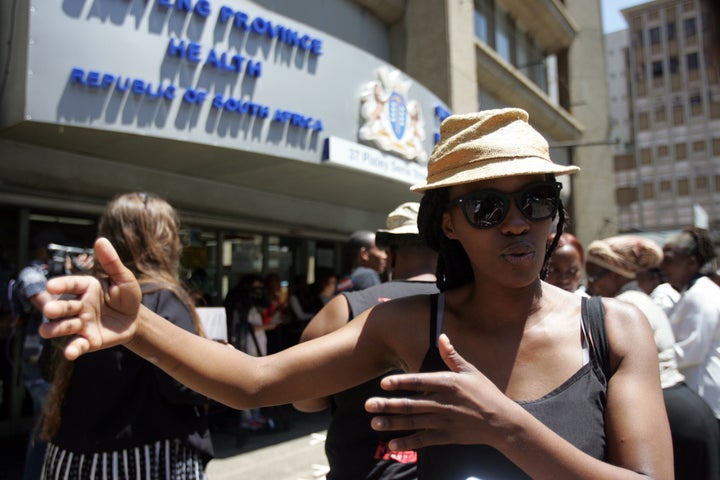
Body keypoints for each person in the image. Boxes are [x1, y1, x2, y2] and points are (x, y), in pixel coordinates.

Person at [39, 108, 673, 479]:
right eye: (486, 206)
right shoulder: (406, 325)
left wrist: (506, 429)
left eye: (537, 200)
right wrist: (139, 326)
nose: (516, 223)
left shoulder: (615, 329)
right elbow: (256, 383)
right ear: (447, 224)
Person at [38, 192, 214, 479]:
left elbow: (49, 367)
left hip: (69, 457)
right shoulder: (163, 297)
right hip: (148, 458)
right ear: (164, 239)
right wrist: (219, 361)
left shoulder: (84, 296)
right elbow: (182, 387)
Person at [294, 201, 438, 480]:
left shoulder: (346, 308)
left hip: (363, 470)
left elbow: (305, 400)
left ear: (391, 254)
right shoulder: (474, 308)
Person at [585, 234, 720, 479]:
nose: (591, 284)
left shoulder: (623, 306)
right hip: (685, 407)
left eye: (595, 276)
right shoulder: (636, 299)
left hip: (670, 410)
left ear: (616, 275)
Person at [10, 229, 92, 480]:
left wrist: (83, 276)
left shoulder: (70, 275)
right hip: (39, 365)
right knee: (47, 426)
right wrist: (74, 278)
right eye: (60, 252)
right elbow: (53, 310)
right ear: (43, 250)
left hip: (66, 361)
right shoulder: (31, 275)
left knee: (55, 426)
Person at [660, 227, 720, 422]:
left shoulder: (701, 295)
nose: (663, 267)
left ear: (691, 263)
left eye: (669, 260)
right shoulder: (693, 292)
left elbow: (691, 350)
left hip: (706, 394)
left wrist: (654, 360)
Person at [545, 232, 587, 296]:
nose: (564, 280)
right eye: (554, 270)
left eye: (572, 271)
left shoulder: (589, 304)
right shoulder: (528, 303)